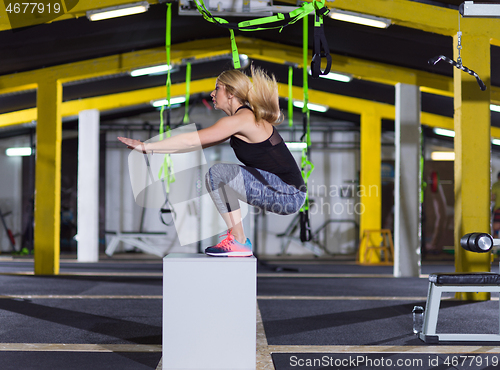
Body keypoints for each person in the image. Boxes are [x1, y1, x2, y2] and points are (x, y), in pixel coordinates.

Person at [118, 66, 307, 257]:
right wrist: (152, 150)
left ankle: (239, 240)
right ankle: (239, 239)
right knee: (216, 176)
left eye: (218, 88)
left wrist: (147, 147)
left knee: (218, 175)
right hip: (284, 191)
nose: (212, 93)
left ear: (231, 93)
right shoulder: (241, 121)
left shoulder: (243, 119)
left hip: (289, 192)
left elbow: (191, 139)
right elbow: (193, 144)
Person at [492, 172, 500, 237]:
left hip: (498, 209)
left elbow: (492, 197)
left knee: (496, 228)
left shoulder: (496, 185)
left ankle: (496, 245)